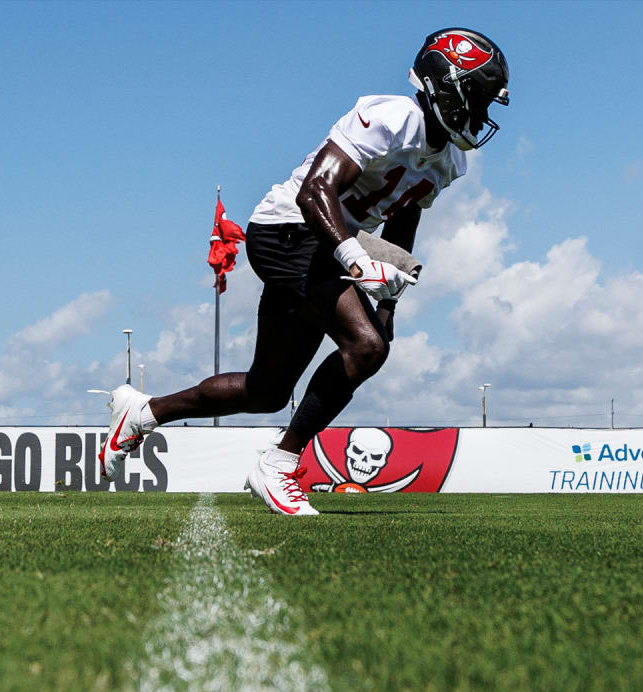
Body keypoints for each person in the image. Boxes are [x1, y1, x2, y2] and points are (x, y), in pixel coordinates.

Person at [99, 28, 509, 515]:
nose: (481, 115)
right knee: (367, 347)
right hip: (289, 231)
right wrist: (356, 261)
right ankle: (279, 463)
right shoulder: (391, 117)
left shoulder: (449, 162)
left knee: (267, 390)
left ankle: (143, 413)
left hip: (325, 248)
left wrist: (388, 301)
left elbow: (405, 215)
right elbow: (314, 191)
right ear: (446, 87)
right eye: (478, 99)